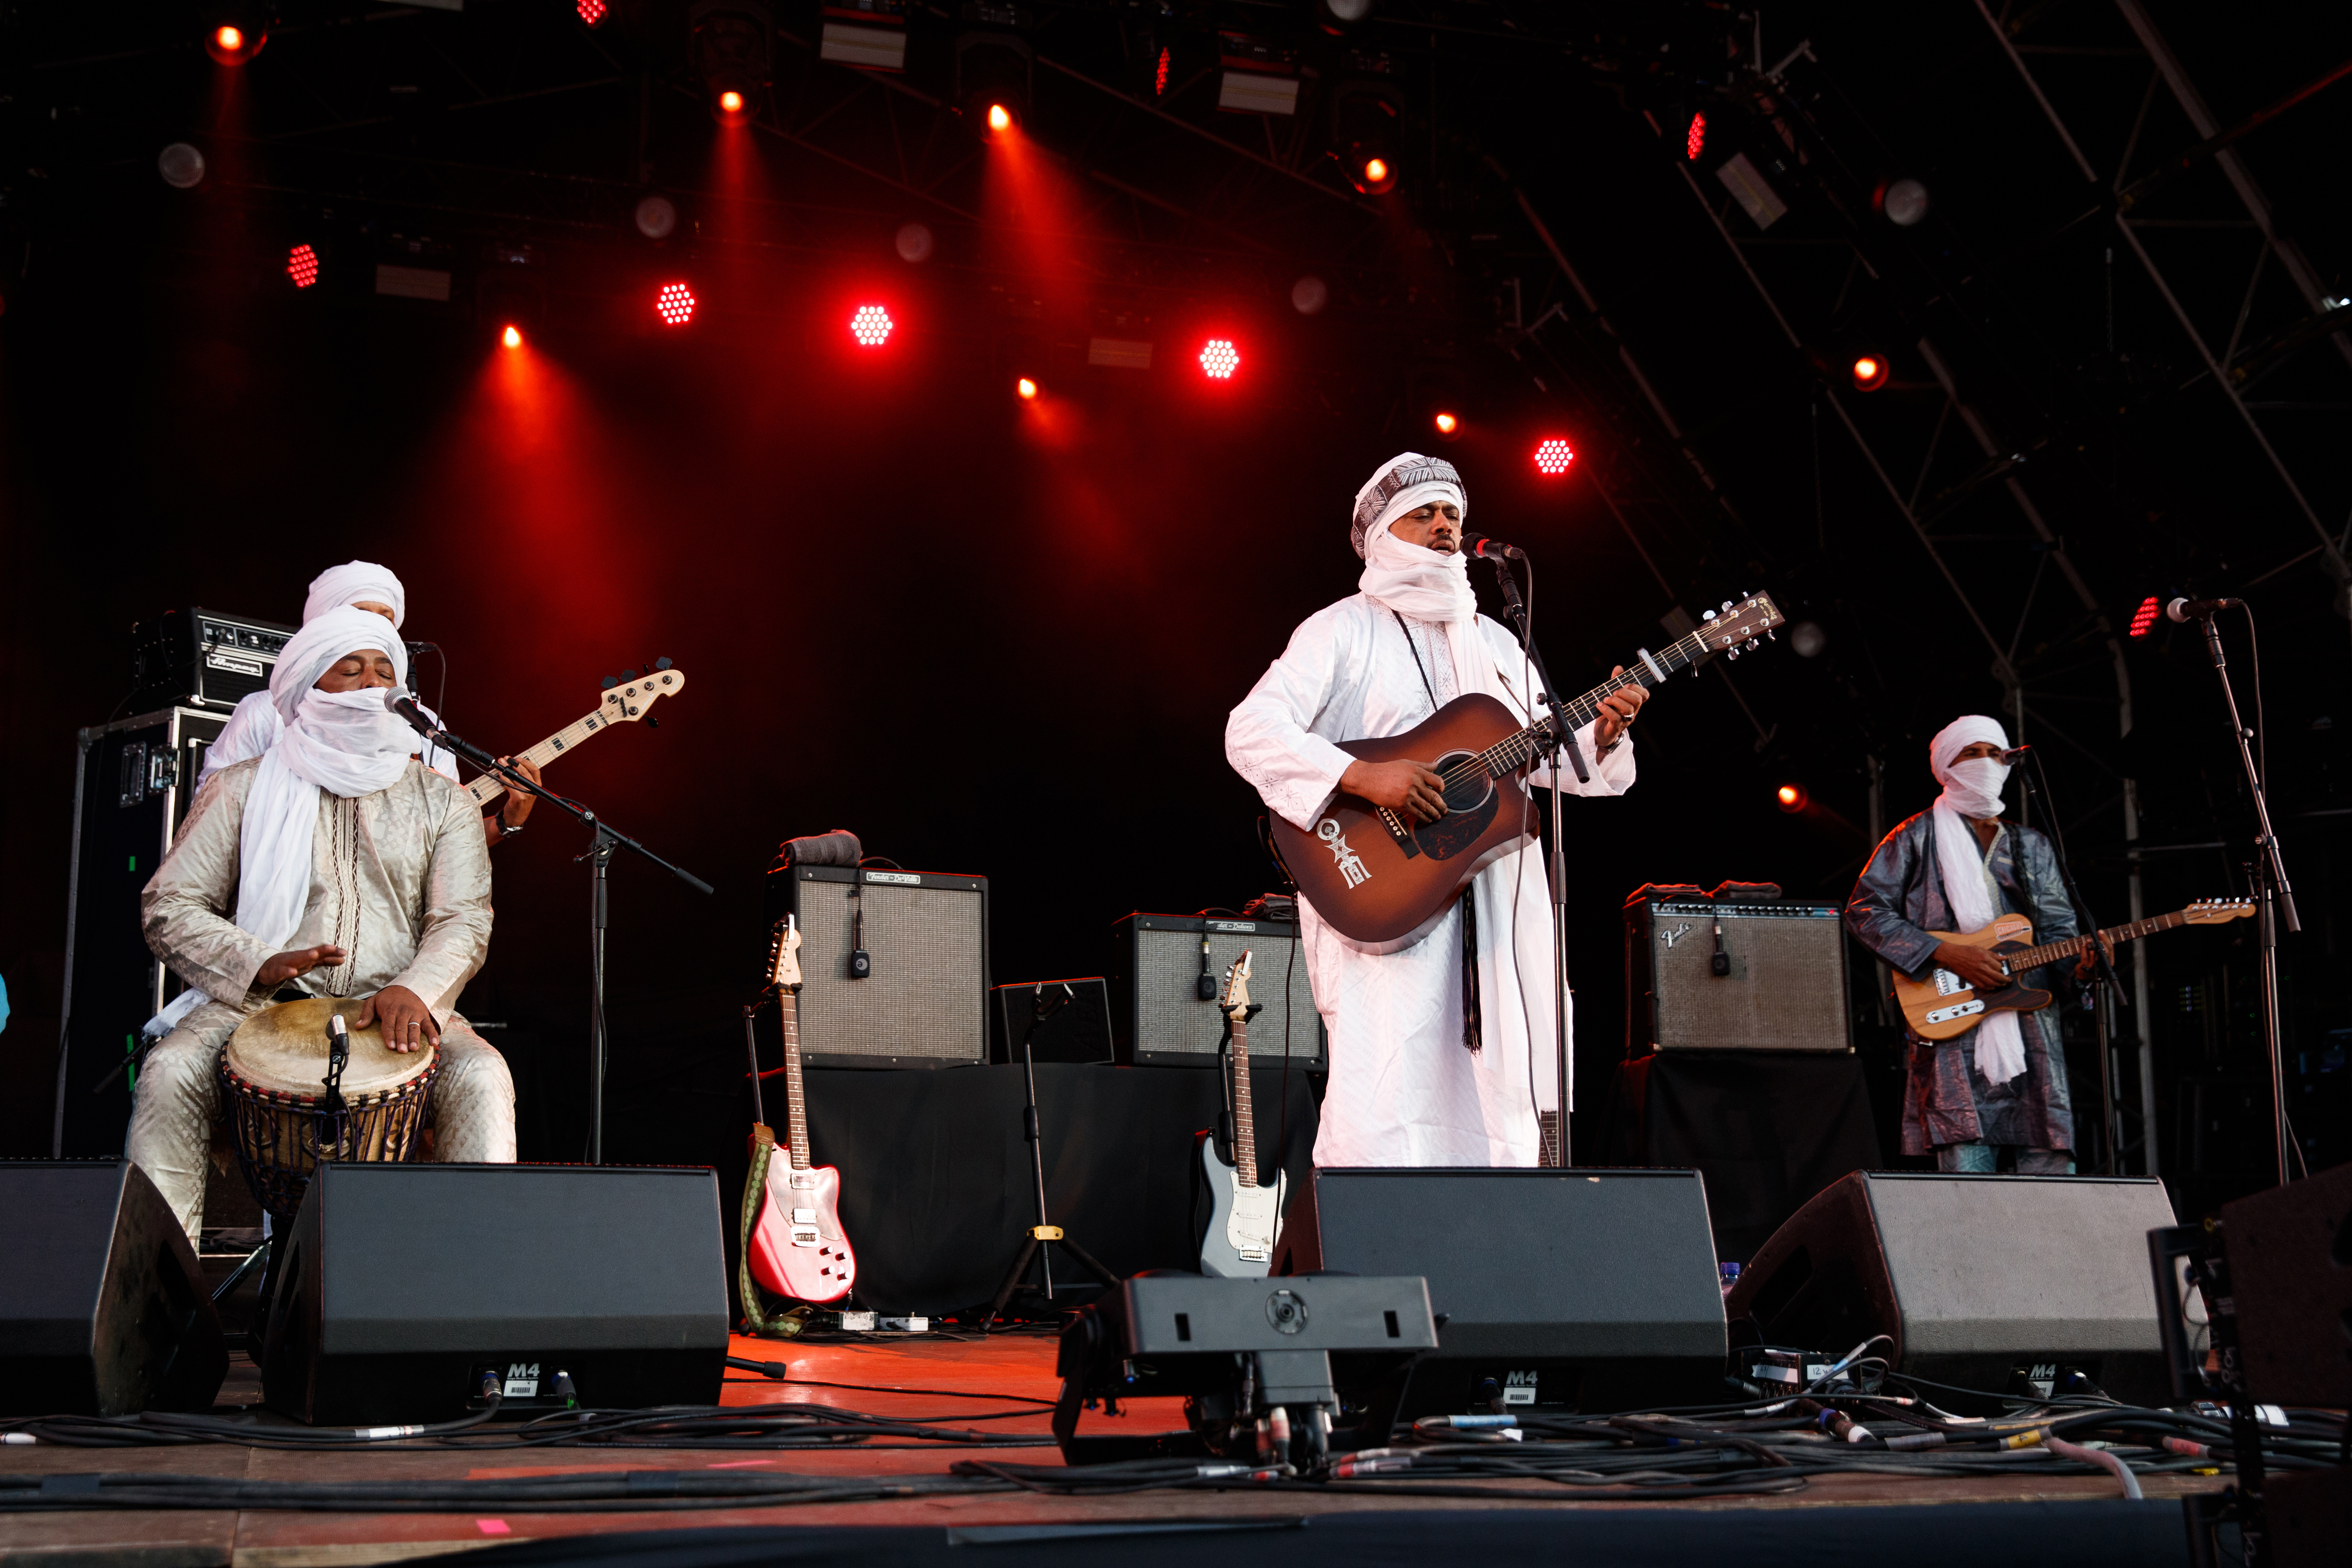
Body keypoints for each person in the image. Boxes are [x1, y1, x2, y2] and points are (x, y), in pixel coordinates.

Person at [1225, 453, 1647, 1167]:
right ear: (1385, 531)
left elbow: (1543, 758)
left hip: (1491, 892)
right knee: (1390, 1082)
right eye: (1424, 513)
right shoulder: (1343, 629)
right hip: (1381, 884)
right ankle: (1379, 1254)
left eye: (1452, 513)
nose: (1445, 525)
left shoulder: (1493, 639)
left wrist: (1602, 736)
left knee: (1497, 1095)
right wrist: (1364, 777)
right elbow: (1251, 731)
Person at [127, 606, 516, 1245]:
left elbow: (463, 917)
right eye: (351, 669)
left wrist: (418, 988)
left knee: (482, 1075)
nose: (372, 683)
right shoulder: (241, 788)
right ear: (309, 683)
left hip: (397, 1002)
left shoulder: (440, 799)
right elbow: (169, 903)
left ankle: (467, 1301)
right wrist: (255, 961)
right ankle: (156, 1304)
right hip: (257, 1005)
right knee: (170, 1073)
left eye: (384, 670)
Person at [1845, 715, 2095, 1173]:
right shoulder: (1914, 835)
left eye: (1994, 753)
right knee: (1966, 1176)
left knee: (2051, 1177)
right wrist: (1944, 951)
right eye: (1971, 752)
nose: (1985, 762)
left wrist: (2080, 968)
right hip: (1949, 1016)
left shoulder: (2030, 844)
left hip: (2030, 1025)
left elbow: (2060, 933)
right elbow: (1865, 909)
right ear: (1946, 765)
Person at [198, 560, 543, 849]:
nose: (375, 626)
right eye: (362, 613)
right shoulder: (264, 714)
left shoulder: (422, 724)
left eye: (385, 618)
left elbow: (444, 844)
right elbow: (209, 824)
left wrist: (507, 820)